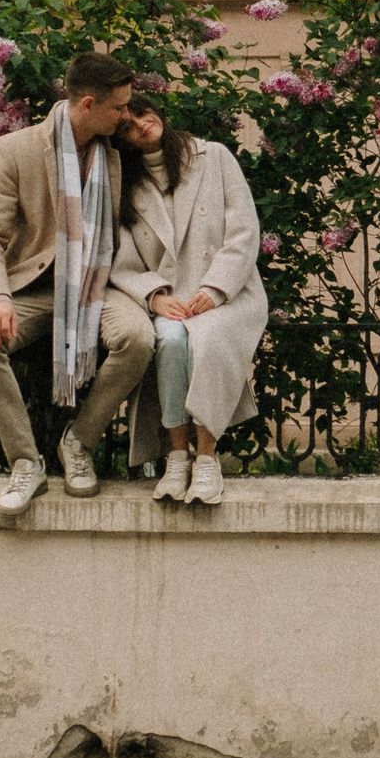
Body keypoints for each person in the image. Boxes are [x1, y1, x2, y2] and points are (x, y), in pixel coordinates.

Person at [0, 50, 158, 514]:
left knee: (138, 338)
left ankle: (78, 442)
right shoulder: (16, 150)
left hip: (98, 285)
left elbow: (170, 161)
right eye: (118, 107)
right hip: (31, 286)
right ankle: (25, 462)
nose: (126, 115)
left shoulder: (120, 150)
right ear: (88, 104)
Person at [110, 96, 269, 505]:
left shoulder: (213, 157)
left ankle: (207, 459)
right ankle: (178, 457)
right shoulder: (126, 185)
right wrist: (154, 296)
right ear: (121, 141)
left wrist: (215, 289)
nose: (141, 124)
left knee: (206, 340)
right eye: (127, 126)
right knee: (171, 340)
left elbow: (244, 231)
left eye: (142, 113)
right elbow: (122, 260)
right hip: (172, 298)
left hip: (229, 294)